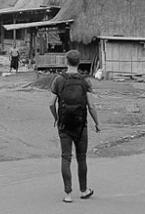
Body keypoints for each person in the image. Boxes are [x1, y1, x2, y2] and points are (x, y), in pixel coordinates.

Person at [49, 50, 101, 203]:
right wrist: (97, 123)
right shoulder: (85, 81)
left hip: (64, 124)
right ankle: (84, 190)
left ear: (67, 61)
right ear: (79, 63)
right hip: (81, 125)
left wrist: (56, 118)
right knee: (82, 158)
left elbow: (51, 103)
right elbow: (91, 106)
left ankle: (68, 194)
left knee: (66, 157)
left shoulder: (58, 80)